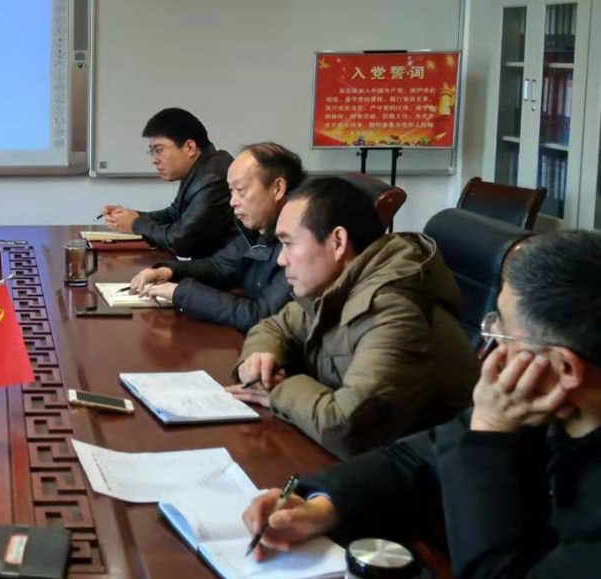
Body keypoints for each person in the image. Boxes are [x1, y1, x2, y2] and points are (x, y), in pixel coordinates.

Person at [241, 230, 601, 577]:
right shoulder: (538, 401)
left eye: (501, 331)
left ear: (566, 368)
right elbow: (416, 459)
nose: (492, 348)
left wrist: (491, 433)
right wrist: (322, 506)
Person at [231, 177, 477, 459]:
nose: (281, 259)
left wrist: (279, 390)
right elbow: (275, 326)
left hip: (428, 473)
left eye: (288, 243)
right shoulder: (333, 286)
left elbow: (349, 429)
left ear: (337, 242)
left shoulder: (395, 311)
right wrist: (260, 358)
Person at [130, 142, 304, 332]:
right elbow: (219, 267)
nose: (232, 202)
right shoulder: (254, 231)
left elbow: (261, 316)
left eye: (241, 191)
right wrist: (169, 271)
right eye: (231, 191)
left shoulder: (300, 244)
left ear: (278, 188)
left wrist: (180, 292)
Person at [101, 108, 235, 257]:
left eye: (159, 150)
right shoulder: (200, 168)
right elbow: (174, 214)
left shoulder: (213, 179)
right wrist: (134, 215)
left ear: (190, 147)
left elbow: (182, 241)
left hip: (222, 270)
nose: (154, 160)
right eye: (152, 151)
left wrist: (135, 224)